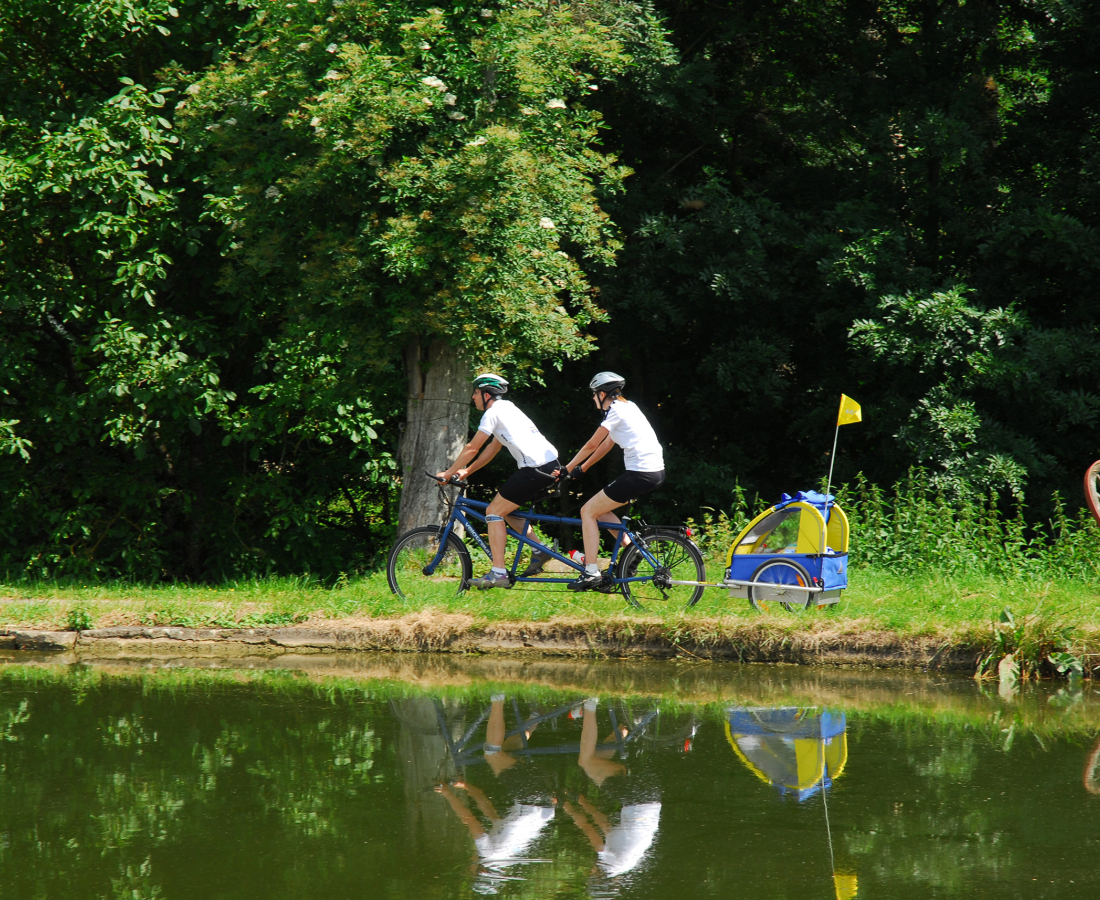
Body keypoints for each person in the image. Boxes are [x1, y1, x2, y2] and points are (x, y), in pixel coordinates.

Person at [437, 373, 560, 589]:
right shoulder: (508, 409)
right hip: (549, 466)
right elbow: (493, 447)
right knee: (507, 511)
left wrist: (448, 473)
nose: (473, 397)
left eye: (476, 393)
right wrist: (467, 471)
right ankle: (540, 550)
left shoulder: (492, 413)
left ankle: (499, 573)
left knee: (493, 512)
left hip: (535, 469)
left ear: (486, 395)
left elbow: (472, 448)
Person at [561, 372, 665, 591]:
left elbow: (591, 444)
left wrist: (567, 468)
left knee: (587, 511)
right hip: (653, 472)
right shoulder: (629, 407)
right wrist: (583, 468)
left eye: (594, 395)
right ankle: (631, 548)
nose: (593, 399)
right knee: (600, 511)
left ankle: (591, 572)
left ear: (602, 394)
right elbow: (606, 445)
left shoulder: (616, 411)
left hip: (640, 473)